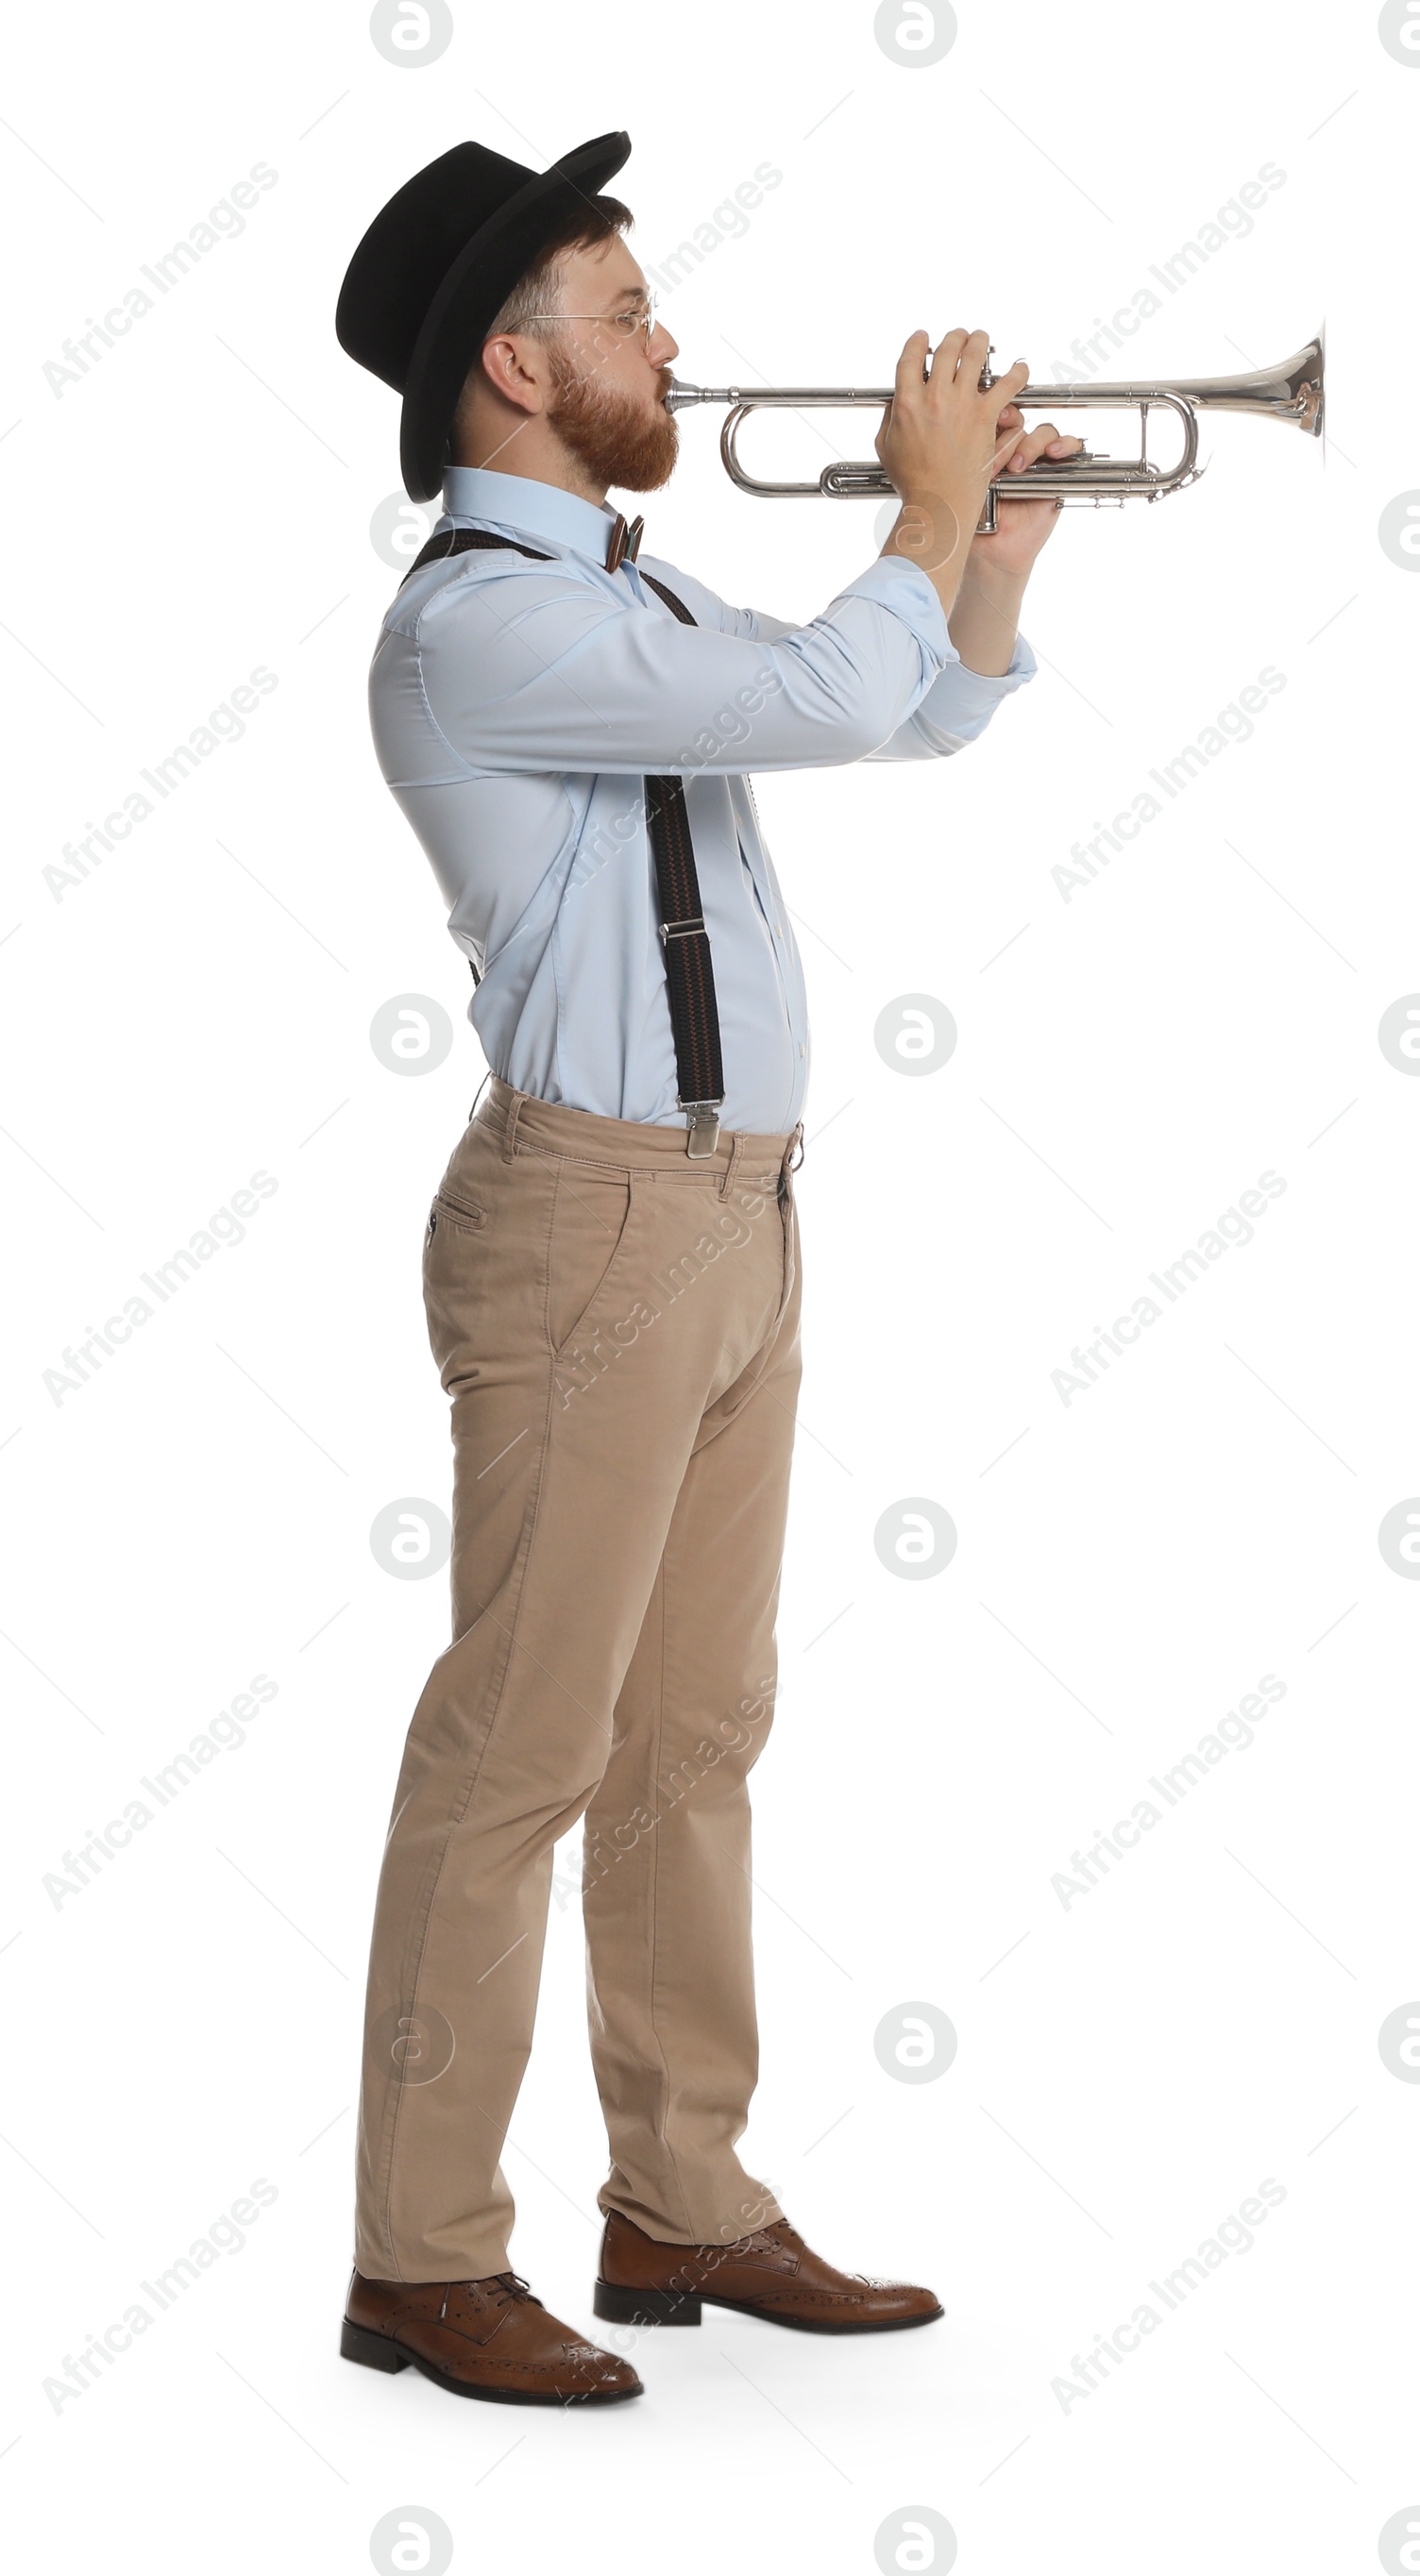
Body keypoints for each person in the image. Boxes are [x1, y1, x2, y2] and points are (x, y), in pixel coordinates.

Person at [333, 128, 1079, 2408]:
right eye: (633, 312)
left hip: (735, 1209)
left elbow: (910, 706)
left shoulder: (636, 600)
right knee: (520, 1746)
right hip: (595, 1214)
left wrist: (998, 546)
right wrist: (918, 516)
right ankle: (418, 2258)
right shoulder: (488, 621)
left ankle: (680, 2203)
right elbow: (841, 694)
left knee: (691, 1740)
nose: (676, 343)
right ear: (515, 366)